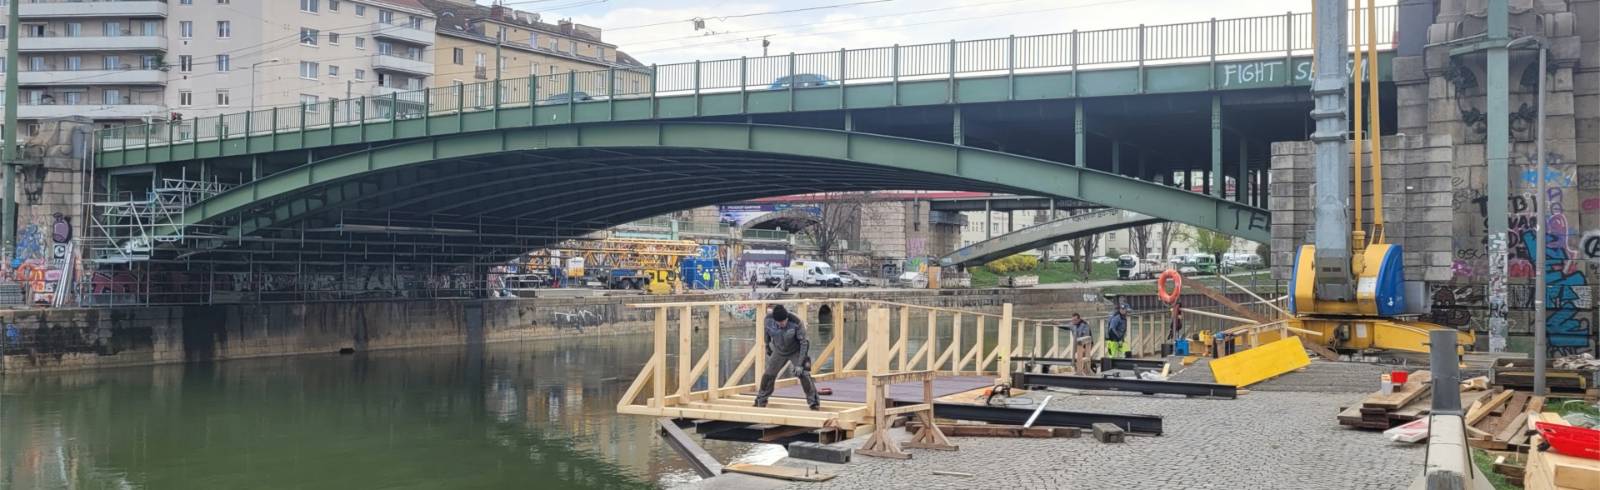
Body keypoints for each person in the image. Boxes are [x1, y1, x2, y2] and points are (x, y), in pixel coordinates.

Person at [753, 305, 820, 410]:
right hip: (779, 350)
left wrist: (800, 364)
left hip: (796, 350)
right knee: (768, 374)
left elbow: (804, 343)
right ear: (775, 320)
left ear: (787, 318)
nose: (782, 324)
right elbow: (766, 333)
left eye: (784, 322)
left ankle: (813, 402)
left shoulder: (796, 322)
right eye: (779, 323)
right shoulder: (768, 320)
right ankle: (761, 400)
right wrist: (767, 346)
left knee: (804, 374)